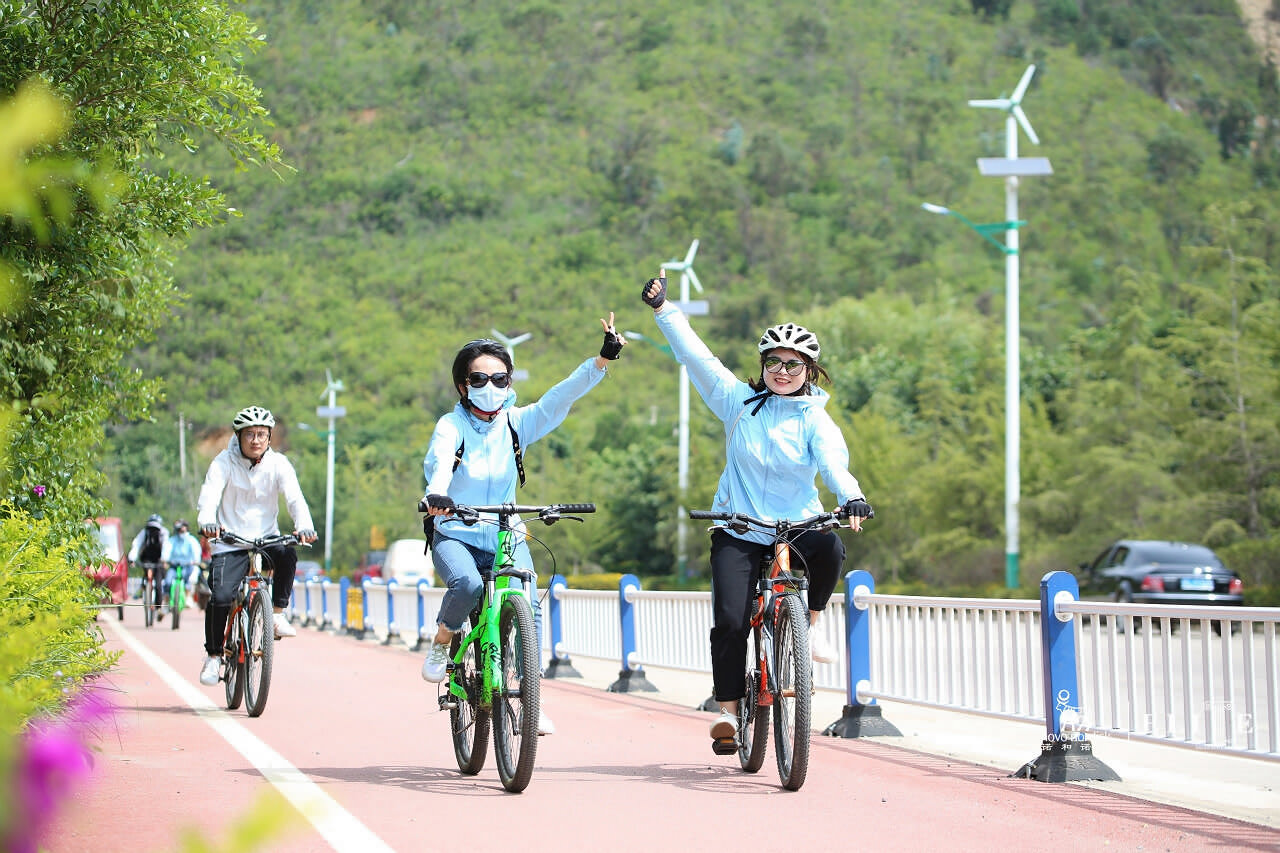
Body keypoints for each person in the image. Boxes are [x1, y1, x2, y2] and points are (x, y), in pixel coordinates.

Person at [640, 271, 874, 741]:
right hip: (740, 526)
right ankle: (728, 710)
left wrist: (852, 497)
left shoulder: (816, 419)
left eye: (793, 364)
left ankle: (809, 624)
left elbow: (833, 464)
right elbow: (697, 357)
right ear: (763, 365)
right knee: (730, 621)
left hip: (797, 523)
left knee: (830, 549)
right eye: (774, 362)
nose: (782, 371)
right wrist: (664, 309)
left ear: (810, 370)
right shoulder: (738, 402)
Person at [420, 317, 626, 736]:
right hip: (455, 530)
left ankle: (531, 700)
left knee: (528, 605)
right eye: (479, 379)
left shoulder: (517, 423)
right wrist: (437, 494)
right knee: (467, 584)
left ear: (509, 382)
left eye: (499, 378)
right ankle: (443, 640)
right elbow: (440, 461)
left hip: (505, 532)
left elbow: (558, 398)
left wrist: (601, 361)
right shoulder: (450, 425)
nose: (490, 386)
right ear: (462, 385)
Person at [195, 405, 318, 687]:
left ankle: (277, 614)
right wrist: (207, 522)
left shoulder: (279, 464)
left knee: (288, 553)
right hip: (230, 541)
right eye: (249, 434)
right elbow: (209, 495)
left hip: (267, 537)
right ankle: (213, 656)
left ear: (269, 437)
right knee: (221, 597)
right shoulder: (223, 462)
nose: (255, 440)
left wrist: (304, 526)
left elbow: (295, 498)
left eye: (262, 434)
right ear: (238, 436)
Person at [127, 514, 170, 620]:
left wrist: (164, 559)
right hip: (147, 559)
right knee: (147, 575)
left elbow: (166, 546)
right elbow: (136, 544)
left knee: (159, 584)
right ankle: (144, 587)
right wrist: (132, 558)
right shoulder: (144, 532)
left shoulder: (164, 533)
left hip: (159, 560)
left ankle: (158, 607)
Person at [165, 520, 202, 609]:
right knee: (168, 582)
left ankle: (188, 596)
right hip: (174, 566)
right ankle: (166, 601)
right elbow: (167, 550)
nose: (181, 531)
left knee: (189, 580)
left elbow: (196, 551)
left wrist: (196, 560)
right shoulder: (172, 540)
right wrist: (165, 559)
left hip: (187, 565)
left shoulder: (191, 540)